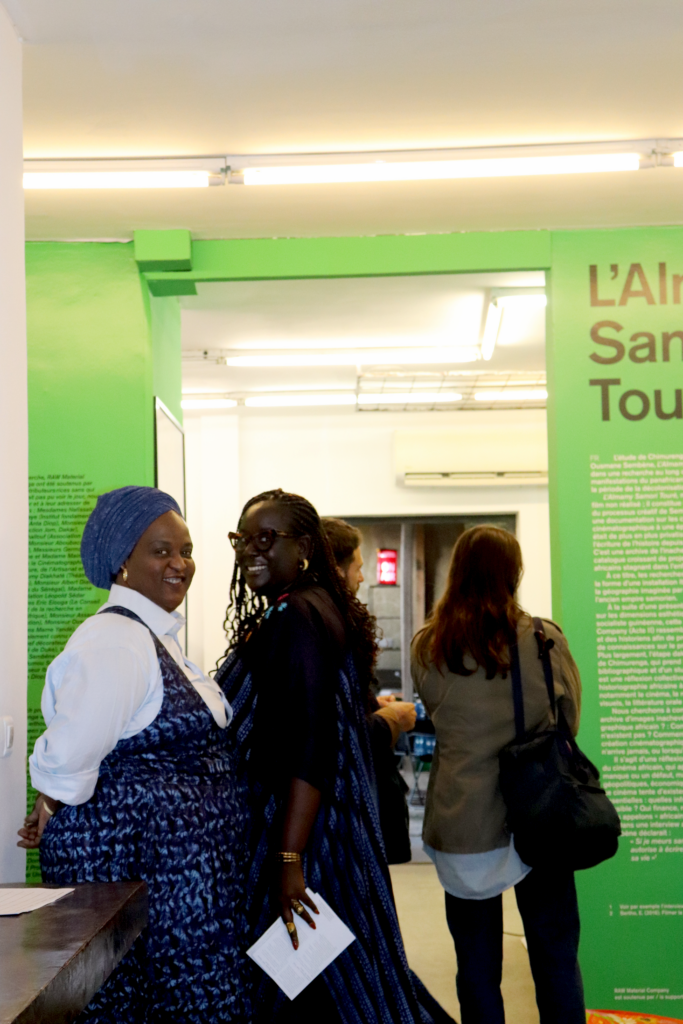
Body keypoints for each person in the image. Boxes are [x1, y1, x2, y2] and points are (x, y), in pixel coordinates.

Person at [216, 489, 454, 1024]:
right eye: (241, 539)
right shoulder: (308, 605)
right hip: (328, 833)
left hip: (309, 840)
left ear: (303, 547)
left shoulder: (297, 614)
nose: (250, 550)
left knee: (325, 990)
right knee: (348, 983)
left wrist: (289, 860)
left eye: (266, 538)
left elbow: (310, 746)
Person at [17, 486, 249, 1024]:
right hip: (143, 875)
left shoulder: (153, 636)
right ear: (122, 561)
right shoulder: (115, 640)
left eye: (186, 551)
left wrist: (49, 801)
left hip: (180, 879)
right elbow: (70, 754)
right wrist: (50, 801)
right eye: (161, 551)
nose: (180, 564)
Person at [411, 525, 585, 1024]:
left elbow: (436, 714)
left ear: (457, 572)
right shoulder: (544, 640)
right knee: (555, 956)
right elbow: (569, 720)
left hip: (463, 820)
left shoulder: (429, 646)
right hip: (540, 813)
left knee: (476, 967)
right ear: (515, 572)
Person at [322, 515, 416, 863]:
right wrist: (391, 718)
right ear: (336, 569)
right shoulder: (328, 631)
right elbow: (338, 733)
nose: (362, 577)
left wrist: (375, 703)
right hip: (345, 809)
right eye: (358, 567)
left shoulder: (332, 624)